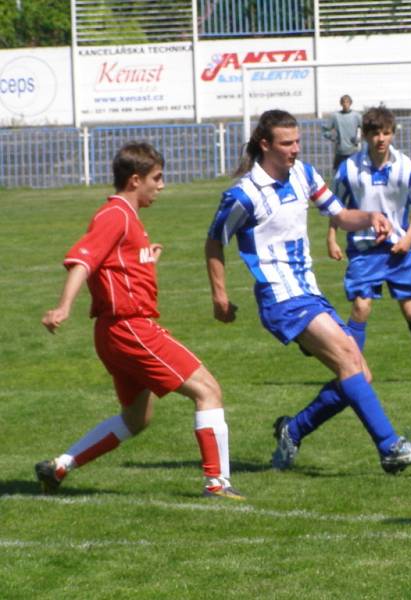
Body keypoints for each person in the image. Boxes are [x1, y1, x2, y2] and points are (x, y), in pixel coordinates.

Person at [205, 109, 411, 474]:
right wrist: (219, 296)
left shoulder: (303, 174)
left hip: (308, 291)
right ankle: (390, 447)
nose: (295, 150)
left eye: (298, 141)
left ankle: (294, 428)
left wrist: (368, 217)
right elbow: (213, 241)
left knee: (360, 375)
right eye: (287, 144)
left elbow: (337, 214)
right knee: (351, 357)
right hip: (281, 297)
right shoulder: (244, 195)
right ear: (265, 145)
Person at [35, 142, 243, 501]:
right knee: (208, 391)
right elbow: (82, 260)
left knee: (137, 417)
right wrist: (63, 306)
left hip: (114, 333)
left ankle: (60, 466)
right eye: (156, 178)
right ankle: (217, 482)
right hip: (130, 327)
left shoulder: (128, 218)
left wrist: (147, 258)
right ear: (134, 180)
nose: (161, 186)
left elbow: (117, 267)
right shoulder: (114, 215)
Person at [327, 106, 411, 382]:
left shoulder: (407, 168)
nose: (381, 138)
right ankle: (352, 370)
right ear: (365, 135)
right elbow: (336, 207)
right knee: (361, 307)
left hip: (397, 250)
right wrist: (331, 237)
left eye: (386, 132)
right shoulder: (349, 170)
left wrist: (409, 237)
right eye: (375, 133)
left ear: (393, 134)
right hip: (363, 249)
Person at [322, 94, 362, 171]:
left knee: (354, 172)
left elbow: (366, 129)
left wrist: (359, 138)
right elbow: (325, 130)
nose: (345, 104)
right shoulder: (335, 116)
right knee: (338, 173)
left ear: (350, 103)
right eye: (343, 102)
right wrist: (333, 137)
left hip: (353, 151)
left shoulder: (356, 116)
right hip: (340, 151)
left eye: (347, 102)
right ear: (341, 104)